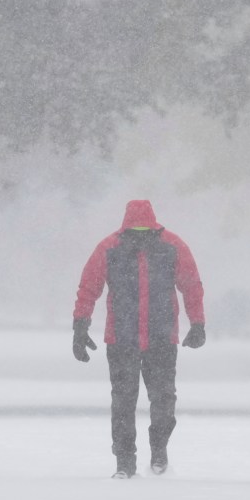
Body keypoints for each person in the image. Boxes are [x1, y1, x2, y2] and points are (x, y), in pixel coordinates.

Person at [72, 199, 206, 479]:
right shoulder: (113, 248)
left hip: (153, 337)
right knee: (135, 401)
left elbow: (191, 285)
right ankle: (126, 459)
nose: (140, 236)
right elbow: (89, 285)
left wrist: (198, 322)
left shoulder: (166, 246)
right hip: (126, 338)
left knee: (155, 401)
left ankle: (155, 449)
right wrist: (80, 324)